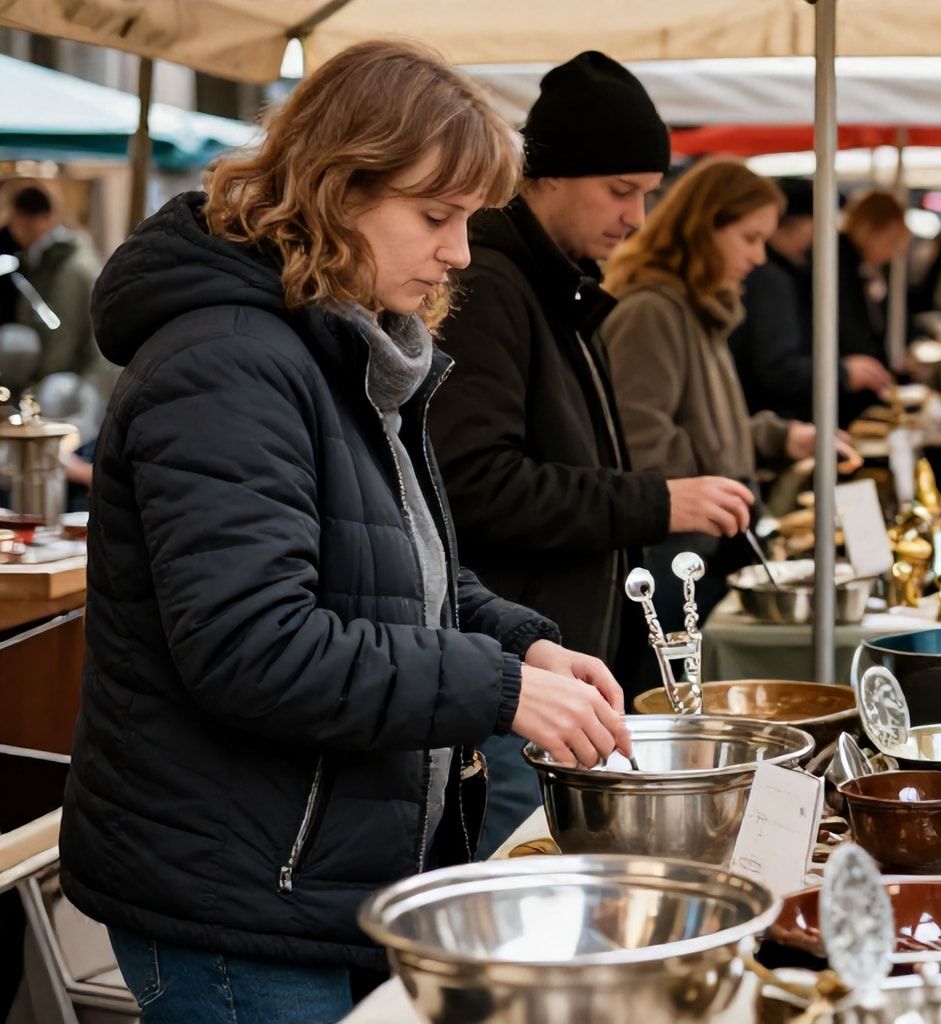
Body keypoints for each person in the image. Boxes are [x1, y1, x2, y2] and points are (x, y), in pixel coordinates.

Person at [59, 43, 635, 1022]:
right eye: (435, 217)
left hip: (322, 878)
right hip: (239, 899)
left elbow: (398, 574)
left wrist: (520, 639)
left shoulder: (334, 345)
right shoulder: (230, 362)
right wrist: (499, 689)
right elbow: (255, 645)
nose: (459, 252)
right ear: (336, 187)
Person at [429, 52, 754, 851]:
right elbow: (476, 483)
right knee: (523, 872)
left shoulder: (556, 283)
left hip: (550, 663)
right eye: (621, 190)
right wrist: (657, 500)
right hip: (513, 678)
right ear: (549, 177)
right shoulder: (495, 287)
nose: (638, 216)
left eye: (647, 192)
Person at [603, 160, 858, 625]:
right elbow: (638, 443)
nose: (760, 257)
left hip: (697, 546)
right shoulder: (653, 312)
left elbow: (708, 425)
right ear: (703, 228)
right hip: (673, 556)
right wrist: (725, 477)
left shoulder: (698, 307)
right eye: (750, 238)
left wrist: (777, 438)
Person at [730, 177, 894, 424]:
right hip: (777, 421)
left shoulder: (790, 271)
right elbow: (778, 370)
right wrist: (842, 372)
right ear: (797, 223)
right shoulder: (771, 278)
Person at [6, 184, 109, 402]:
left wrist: (35, 387)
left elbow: (64, 335)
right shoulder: (49, 258)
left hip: (76, 382)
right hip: (74, 377)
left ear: (34, 220)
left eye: (14, 219)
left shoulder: (67, 265)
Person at [837, 189, 910, 368]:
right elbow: (850, 328)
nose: (891, 253)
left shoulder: (869, 267)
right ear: (867, 228)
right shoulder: (840, 263)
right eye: (890, 241)